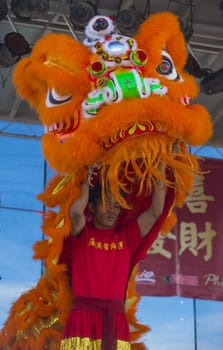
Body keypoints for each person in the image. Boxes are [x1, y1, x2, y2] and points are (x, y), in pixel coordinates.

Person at [59, 173, 174, 350]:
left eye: (117, 205)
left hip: (115, 320)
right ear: (91, 206)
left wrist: (160, 169)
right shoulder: (82, 234)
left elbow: (156, 211)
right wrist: (85, 174)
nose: (112, 210)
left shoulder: (127, 237)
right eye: (106, 204)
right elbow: (75, 212)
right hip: (82, 318)